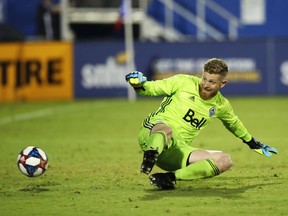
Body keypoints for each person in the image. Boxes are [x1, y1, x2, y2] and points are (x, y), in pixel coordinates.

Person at [125, 58, 278, 190]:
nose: (205, 84)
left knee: (225, 160)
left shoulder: (221, 105)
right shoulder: (183, 82)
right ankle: (150, 155)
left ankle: (169, 178)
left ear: (222, 83)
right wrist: (138, 84)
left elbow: (233, 123)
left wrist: (252, 143)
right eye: (204, 78)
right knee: (166, 129)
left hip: (175, 152)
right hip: (151, 134)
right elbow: (150, 89)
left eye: (212, 82)